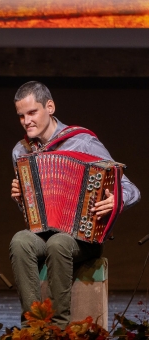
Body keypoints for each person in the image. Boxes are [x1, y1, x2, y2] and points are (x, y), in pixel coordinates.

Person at [9, 81, 140, 329]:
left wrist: (115, 201)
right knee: (20, 241)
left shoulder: (83, 142)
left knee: (59, 243)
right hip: (43, 234)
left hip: (82, 238)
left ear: (50, 107)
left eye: (32, 112)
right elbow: (31, 214)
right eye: (21, 116)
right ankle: (34, 325)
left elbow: (130, 188)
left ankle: (58, 328)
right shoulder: (21, 151)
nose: (26, 121)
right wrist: (21, 199)